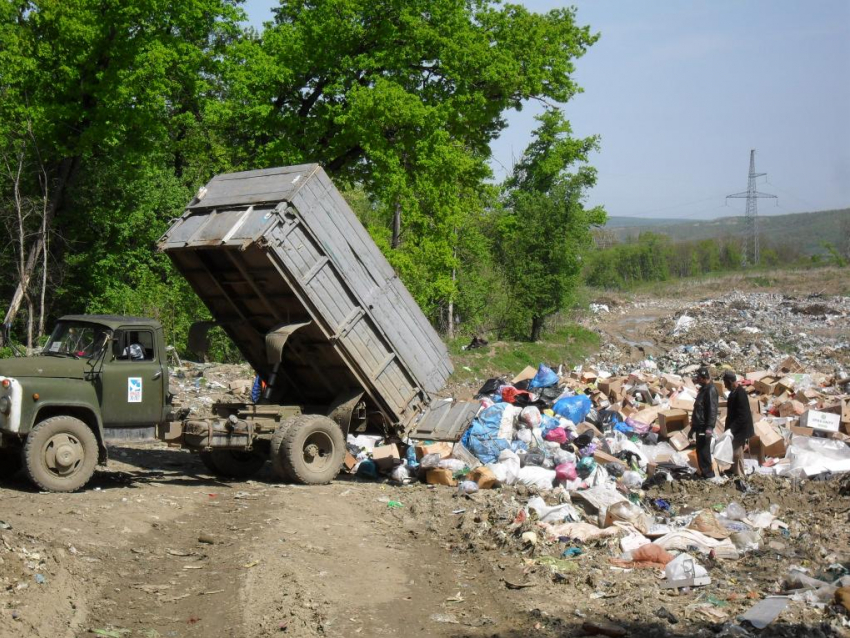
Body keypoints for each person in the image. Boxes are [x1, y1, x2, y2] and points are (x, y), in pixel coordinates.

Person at [723, 370, 754, 477]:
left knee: (737, 453)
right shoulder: (734, 392)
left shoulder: (740, 394)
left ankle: (739, 474)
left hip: (740, 429)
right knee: (733, 450)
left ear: (731, 381)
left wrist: (732, 429)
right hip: (735, 428)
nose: (725, 386)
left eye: (726, 383)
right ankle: (733, 469)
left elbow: (743, 416)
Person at [689, 366, 718, 479]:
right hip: (699, 426)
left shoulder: (710, 390)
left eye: (699, 377)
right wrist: (692, 428)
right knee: (700, 450)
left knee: (703, 451)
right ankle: (705, 473)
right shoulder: (703, 389)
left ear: (703, 377)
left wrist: (709, 427)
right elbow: (698, 408)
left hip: (704, 427)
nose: (697, 379)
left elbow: (712, 410)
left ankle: (709, 475)